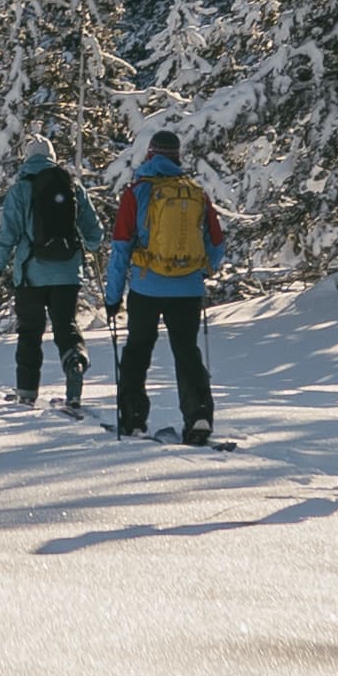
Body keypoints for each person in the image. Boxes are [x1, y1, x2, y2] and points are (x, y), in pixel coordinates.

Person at [106, 127, 221, 444]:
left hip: (147, 287)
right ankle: (198, 416)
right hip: (188, 290)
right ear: (177, 158)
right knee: (187, 352)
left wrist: (112, 296)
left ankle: (132, 418)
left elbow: (120, 249)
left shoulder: (136, 192)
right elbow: (216, 244)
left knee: (138, 351)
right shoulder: (196, 192)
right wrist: (199, 271)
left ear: (150, 156)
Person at [0, 145, 97, 409]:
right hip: (68, 275)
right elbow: (95, 234)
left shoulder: (20, 190)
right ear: (53, 157)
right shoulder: (72, 187)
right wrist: (89, 246)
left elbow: (7, 237)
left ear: (26, 159)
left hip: (30, 276)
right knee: (65, 326)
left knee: (29, 333)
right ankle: (74, 365)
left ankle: (26, 392)